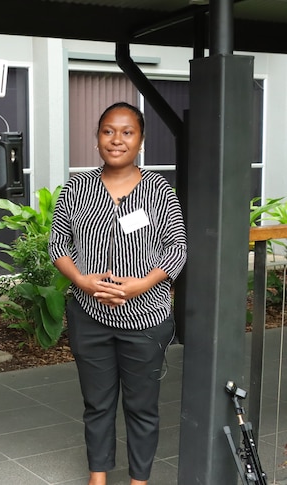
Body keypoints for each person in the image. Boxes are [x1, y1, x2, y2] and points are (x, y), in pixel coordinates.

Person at [48, 102, 187, 485]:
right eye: (108, 131)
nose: (117, 140)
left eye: (127, 132)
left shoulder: (160, 190)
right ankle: (98, 477)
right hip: (90, 318)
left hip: (146, 320)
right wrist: (82, 280)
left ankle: (138, 480)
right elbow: (57, 243)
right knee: (97, 404)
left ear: (140, 141)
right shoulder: (77, 188)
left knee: (142, 407)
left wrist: (141, 284)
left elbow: (177, 248)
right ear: (97, 139)